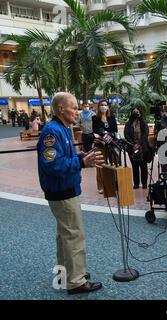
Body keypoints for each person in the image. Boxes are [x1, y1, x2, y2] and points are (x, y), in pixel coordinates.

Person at [37, 92, 104, 295]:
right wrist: (81, 162)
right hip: (62, 192)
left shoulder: (63, 129)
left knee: (64, 236)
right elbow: (52, 165)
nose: (78, 111)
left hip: (65, 189)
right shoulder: (51, 132)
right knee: (74, 235)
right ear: (61, 109)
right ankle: (76, 281)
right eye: (74, 108)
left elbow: (62, 157)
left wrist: (79, 156)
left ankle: (65, 274)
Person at [92, 99, 118, 194]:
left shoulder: (112, 117)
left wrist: (109, 135)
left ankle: (113, 184)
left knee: (114, 163)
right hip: (100, 144)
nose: (104, 106)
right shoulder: (95, 118)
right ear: (98, 107)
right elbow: (96, 131)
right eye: (102, 105)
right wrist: (104, 135)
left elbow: (115, 130)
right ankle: (101, 186)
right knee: (100, 166)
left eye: (105, 105)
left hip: (111, 145)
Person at [124, 108, 149, 189]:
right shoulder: (128, 123)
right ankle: (136, 183)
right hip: (132, 147)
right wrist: (133, 144)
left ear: (140, 113)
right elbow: (126, 134)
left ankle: (144, 183)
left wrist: (139, 143)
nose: (135, 113)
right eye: (134, 112)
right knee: (135, 166)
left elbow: (146, 133)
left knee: (143, 166)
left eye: (137, 112)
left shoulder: (143, 123)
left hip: (142, 147)